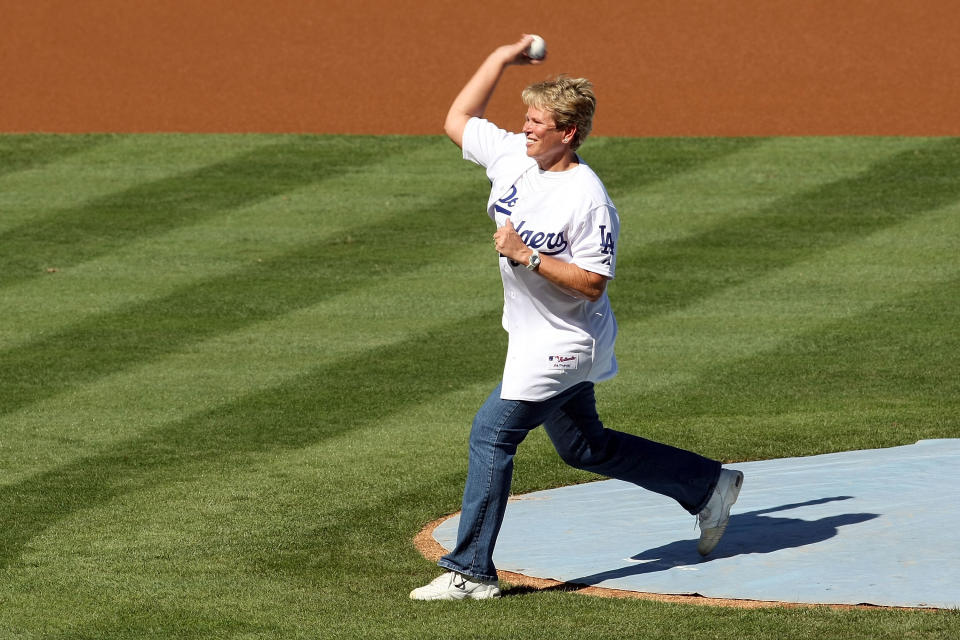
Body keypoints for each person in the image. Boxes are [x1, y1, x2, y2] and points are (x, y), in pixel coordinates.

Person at [410, 35, 743, 601]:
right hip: (530, 336)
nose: (526, 128)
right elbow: (458, 118)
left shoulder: (588, 198)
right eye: (526, 118)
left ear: (568, 132)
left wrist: (528, 256)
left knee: (491, 435)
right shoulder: (515, 156)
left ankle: (471, 573)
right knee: (584, 448)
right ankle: (707, 484)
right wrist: (500, 57)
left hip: (566, 341)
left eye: (538, 122)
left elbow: (592, 283)